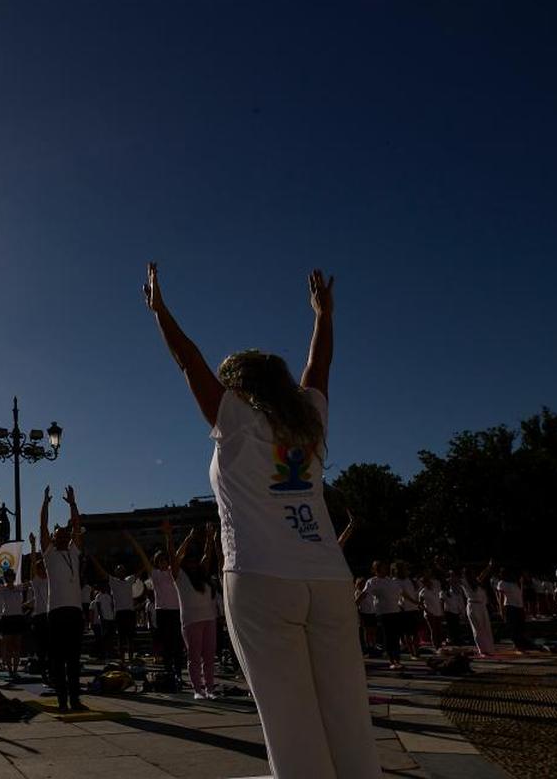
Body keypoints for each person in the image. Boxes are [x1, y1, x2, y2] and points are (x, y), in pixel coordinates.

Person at [145, 263, 380, 778]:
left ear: (240, 387)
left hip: (261, 577)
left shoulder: (237, 420)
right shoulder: (310, 419)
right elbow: (319, 368)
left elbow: (189, 362)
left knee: (290, 724)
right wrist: (324, 316)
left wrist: (160, 312)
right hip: (328, 576)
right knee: (348, 716)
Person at [40, 485, 87, 712]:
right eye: (59, 535)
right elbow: (42, 527)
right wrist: (45, 505)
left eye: (66, 535)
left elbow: (77, 526)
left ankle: (75, 699)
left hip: (75, 611)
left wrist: (73, 504)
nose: (64, 537)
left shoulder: (74, 553)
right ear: (53, 538)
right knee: (58, 659)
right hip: (56, 611)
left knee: (74, 659)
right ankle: (62, 700)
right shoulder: (49, 555)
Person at [167, 522, 220, 700]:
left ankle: (210, 689)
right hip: (191, 621)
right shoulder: (179, 577)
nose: (192, 563)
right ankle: (198, 690)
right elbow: (173, 557)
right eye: (188, 561)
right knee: (194, 657)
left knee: (209, 657)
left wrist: (210, 538)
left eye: (194, 561)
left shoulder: (202, 575)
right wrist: (176, 538)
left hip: (209, 619)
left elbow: (208, 554)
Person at [126, 532, 183, 684]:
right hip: (162, 611)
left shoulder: (173, 572)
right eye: (160, 561)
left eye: (165, 560)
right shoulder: (154, 573)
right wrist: (133, 540)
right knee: (166, 643)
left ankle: (178, 671)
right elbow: (142, 554)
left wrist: (177, 538)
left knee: (177, 643)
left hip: (176, 610)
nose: (163, 563)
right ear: (156, 562)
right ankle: (169, 670)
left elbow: (178, 554)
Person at [88, 553, 138, 664]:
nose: (120, 571)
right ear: (115, 572)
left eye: (122, 570)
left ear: (125, 572)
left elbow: (141, 571)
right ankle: (122, 661)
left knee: (131, 638)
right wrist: (94, 559)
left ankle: (130, 659)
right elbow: (101, 571)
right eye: (118, 570)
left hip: (130, 612)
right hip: (119, 613)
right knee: (121, 638)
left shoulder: (130, 579)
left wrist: (147, 560)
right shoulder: (113, 581)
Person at [363, 562, 403, 669]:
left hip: (395, 611)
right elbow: (364, 593)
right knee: (389, 637)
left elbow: (400, 593)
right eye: (383, 568)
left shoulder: (391, 581)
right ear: (376, 570)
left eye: (386, 568)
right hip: (384, 613)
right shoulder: (372, 581)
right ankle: (392, 661)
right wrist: (354, 605)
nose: (385, 570)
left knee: (396, 637)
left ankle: (398, 659)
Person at [489, 564, 531, 651]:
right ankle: (516, 644)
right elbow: (500, 598)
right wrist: (501, 610)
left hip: (519, 606)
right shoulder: (502, 583)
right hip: (510, 606)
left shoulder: (514, 583)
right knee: (513, 627)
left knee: (520, 626)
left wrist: (523, 607)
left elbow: (520, 595)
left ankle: (521, 642)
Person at [27, 534, 50, 681]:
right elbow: (33, 562)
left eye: (43, 568)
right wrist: (33, 545)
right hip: (39, 616)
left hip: (50, 615)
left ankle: (51, 670)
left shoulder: (50, 579)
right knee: (41, 646)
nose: (42, 570)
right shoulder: (35, 581)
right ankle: (43, 672)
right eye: (39, 568)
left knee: (51, 645)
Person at [462, 568, 495, 656]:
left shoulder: (477, 582)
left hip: (482, 606)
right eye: (470, 574)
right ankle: (482, 650)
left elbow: (483, 574)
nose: (472, 575)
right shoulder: (464, 583)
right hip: (473, 606)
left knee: (486, 627)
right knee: (477, 629)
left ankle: (489, 649)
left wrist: (489, 566)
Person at [419, 572, 445, 649]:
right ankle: (436, 645)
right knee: (433, 630)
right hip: (430, 613)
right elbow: (420, 604)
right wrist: (427, 612)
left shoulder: (436, 589)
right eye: (425, 582)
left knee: (439, 629)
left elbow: (440, 599)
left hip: (438, 612)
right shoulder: (422, 592)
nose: (428, 583)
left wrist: (442, 610)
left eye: (428, 581)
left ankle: (440, 645)